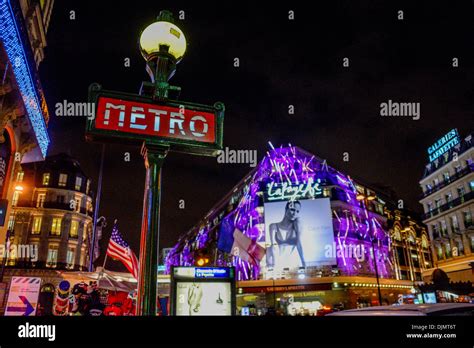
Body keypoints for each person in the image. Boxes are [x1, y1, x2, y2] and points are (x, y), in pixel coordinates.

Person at [266, 200, 305, 270]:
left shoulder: (297, 224)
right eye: (292, 210)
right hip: (278, 263)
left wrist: (304, 263)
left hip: (293, 263)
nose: (294, 213)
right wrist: (273, 265)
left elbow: (299, 244)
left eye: (297, 211)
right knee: (269, 249)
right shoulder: (273, 226)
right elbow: (272, 247)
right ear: (286, 209)